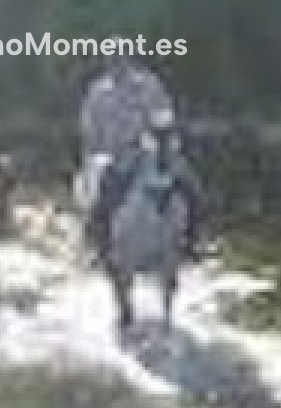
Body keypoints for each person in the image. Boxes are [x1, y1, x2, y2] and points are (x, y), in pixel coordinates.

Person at [79, 56, 200, 265]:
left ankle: (191, 241)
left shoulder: (149, 85)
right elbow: (90, 128)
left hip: (149, 150)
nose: (117, 65)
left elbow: (165, 114)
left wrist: (160, 136)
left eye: (120, 60)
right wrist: (103, 148)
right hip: (115, 155)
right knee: (104, 194)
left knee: (190, 186)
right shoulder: (98, 92)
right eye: (112, 61)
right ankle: (101, 246)